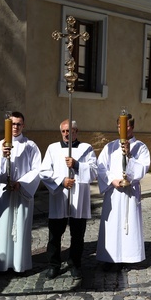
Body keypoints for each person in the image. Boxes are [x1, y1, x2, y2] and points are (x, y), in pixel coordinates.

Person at [39, 119, 98, 279]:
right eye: (64, 131)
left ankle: (75, 264)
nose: (66, 134)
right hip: (59, 196)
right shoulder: (53, 148)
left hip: (79, 198)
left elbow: (94, 172)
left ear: (76, 131)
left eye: (70, 131)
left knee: (77, 235)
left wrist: (78, 165)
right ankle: (53, 265)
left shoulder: (86, 148)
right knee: (54, 235)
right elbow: (44, 171)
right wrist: (61, 181)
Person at [0, 111, 42, 274]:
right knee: (3, 227)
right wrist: (4, 157)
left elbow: (37, 169)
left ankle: (19, 264)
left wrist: (21, 183)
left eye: (19, 124)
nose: (15, 127)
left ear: (23, 125)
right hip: (4, 192)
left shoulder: (30, 146)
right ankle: (1, 264)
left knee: (21, 226)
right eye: (12, 124)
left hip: (22, 192)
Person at [96, 112, 151, 270]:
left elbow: (142, 168)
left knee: (128, 223)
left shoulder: (140, 147)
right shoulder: (110, 146)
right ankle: (110, 257)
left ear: (132, 127)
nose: (122, 128)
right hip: (113, 192)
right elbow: (101, 168)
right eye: (119, 125)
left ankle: (126, 257)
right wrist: (112, 180)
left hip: (130, 193)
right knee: (112, 225)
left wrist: (129, 154)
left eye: (125, 125)